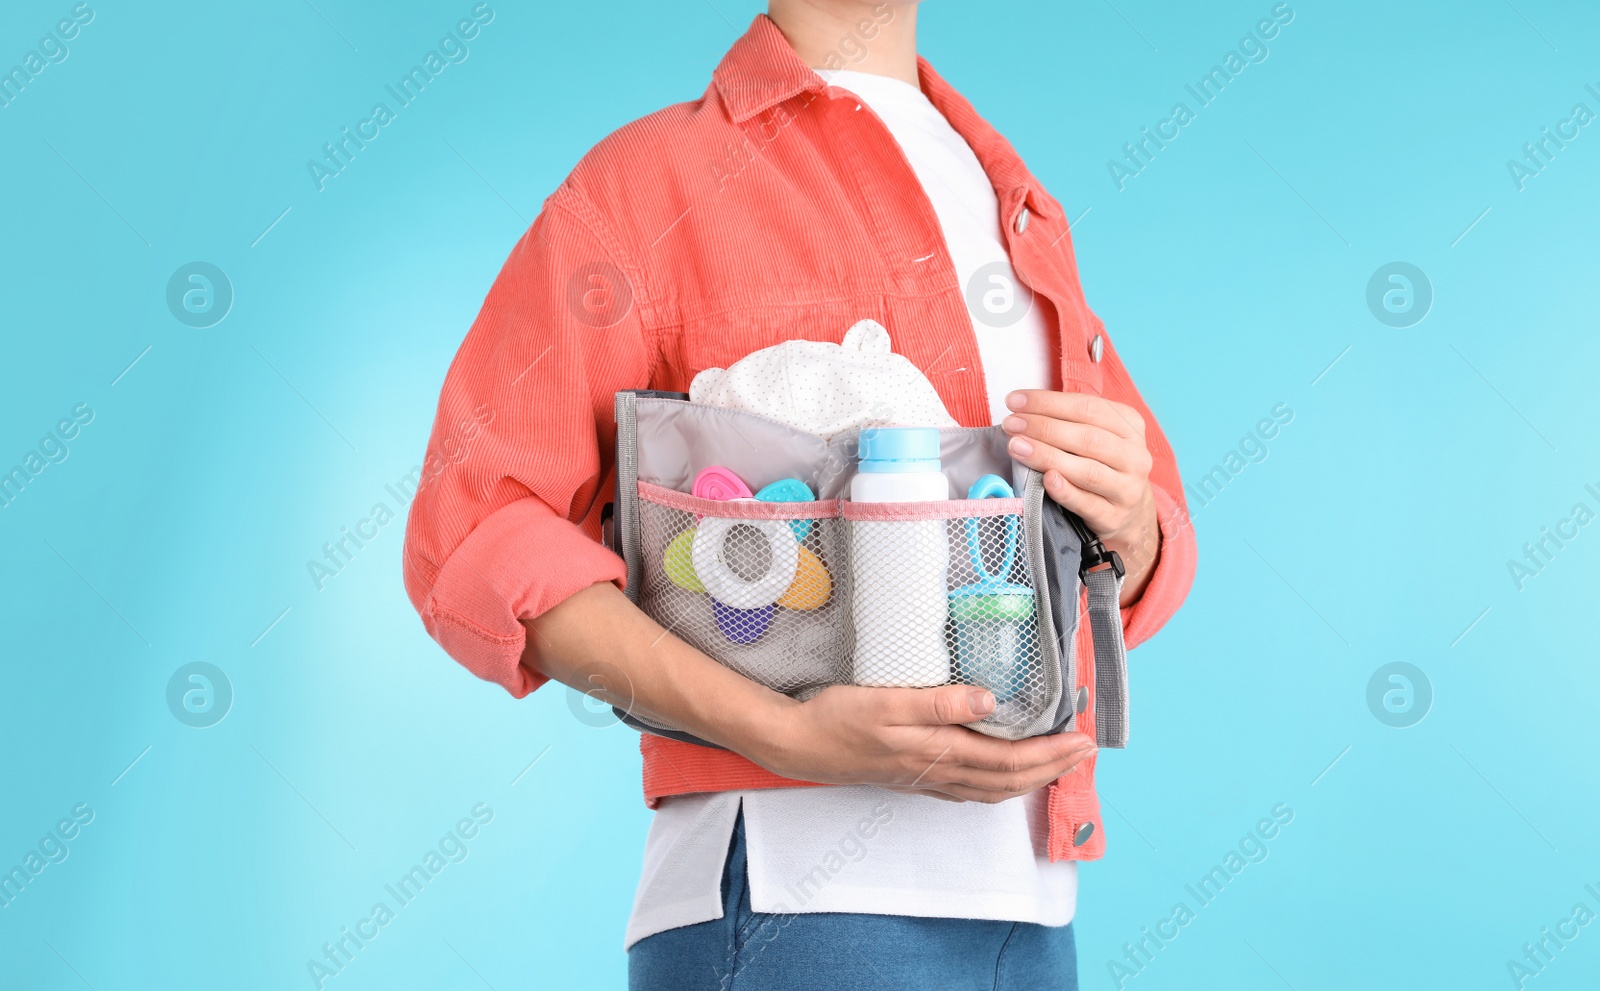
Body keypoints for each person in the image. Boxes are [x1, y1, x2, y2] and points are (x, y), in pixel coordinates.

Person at [403, 2, 1197, 987]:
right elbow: (477, 528)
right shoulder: (647, 187)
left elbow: (1140, 546)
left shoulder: (1011, 197)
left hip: (1029, 910)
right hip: (791, 903)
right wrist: (784, 731)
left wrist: (1130, 523)